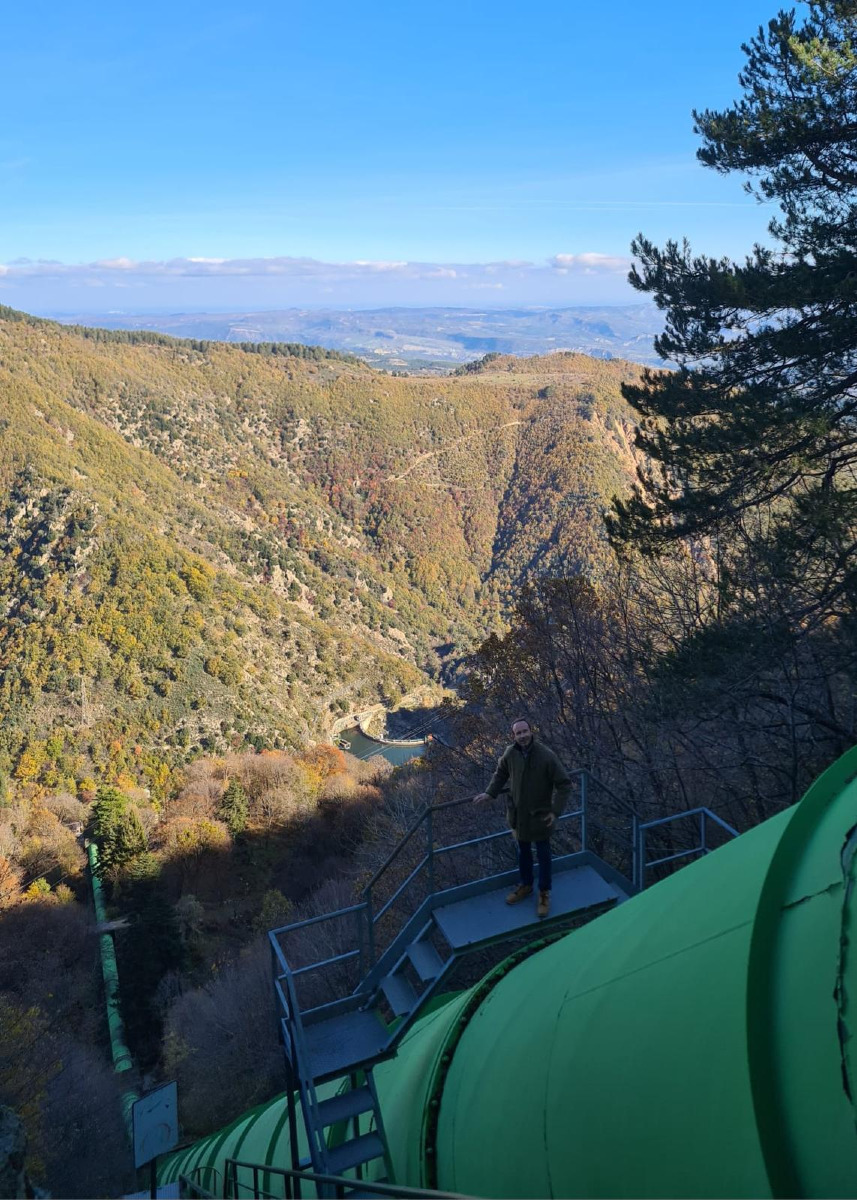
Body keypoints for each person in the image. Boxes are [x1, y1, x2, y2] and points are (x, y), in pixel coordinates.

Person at [474, 718, 571, 918]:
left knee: (544, 855)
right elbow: (501, 773)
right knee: (523, 852)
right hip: (519, 816)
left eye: (525, 731)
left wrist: (556, 811)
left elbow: (564, 784)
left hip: (541, 816)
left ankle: (544, 893)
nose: (522, 736)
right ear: (514, 736)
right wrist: (490, 793)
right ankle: (526, 885)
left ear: (531, 731)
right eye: (518, 733)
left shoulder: (546, 756)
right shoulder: (511, 753)